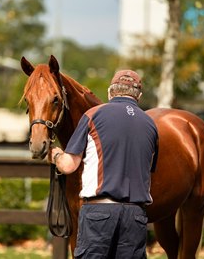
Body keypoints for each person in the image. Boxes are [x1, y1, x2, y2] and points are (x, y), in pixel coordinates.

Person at [49, 70, 158, 259]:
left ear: (110, 92)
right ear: (139, 96)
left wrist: (55, 153)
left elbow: (68, 166)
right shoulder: (150, 124)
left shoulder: (93, 115)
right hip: (136, 216)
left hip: (99, 213)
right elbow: (148, 169)